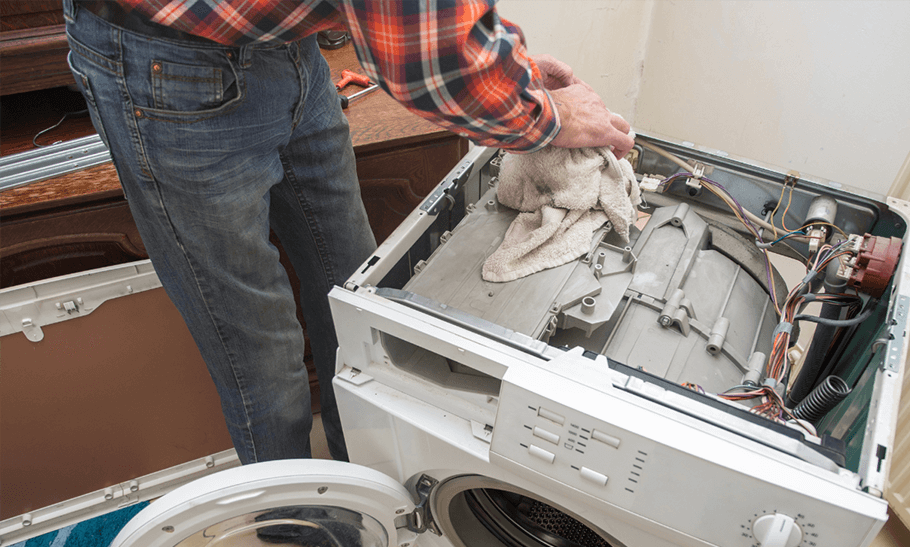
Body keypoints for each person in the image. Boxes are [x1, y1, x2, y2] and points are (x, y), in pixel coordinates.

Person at [62, 0, 633, 464]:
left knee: (354, 291)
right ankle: (296, 523)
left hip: (290, 49)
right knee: (257, 343)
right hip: (167, 67)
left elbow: (436, 21)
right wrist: (546, 115)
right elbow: (425, 51)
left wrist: (515, 76)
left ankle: (362, 473)